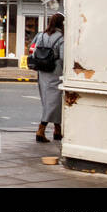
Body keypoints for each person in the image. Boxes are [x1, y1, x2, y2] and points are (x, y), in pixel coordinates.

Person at [31, 13, 65, 143]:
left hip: (42, 71)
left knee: (48, 100)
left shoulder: (42, 35)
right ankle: (41, 129)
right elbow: (62, 56)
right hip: (55, 71)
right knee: (54, 101)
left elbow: (34, 52)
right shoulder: (61, 37)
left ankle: (57, 130)